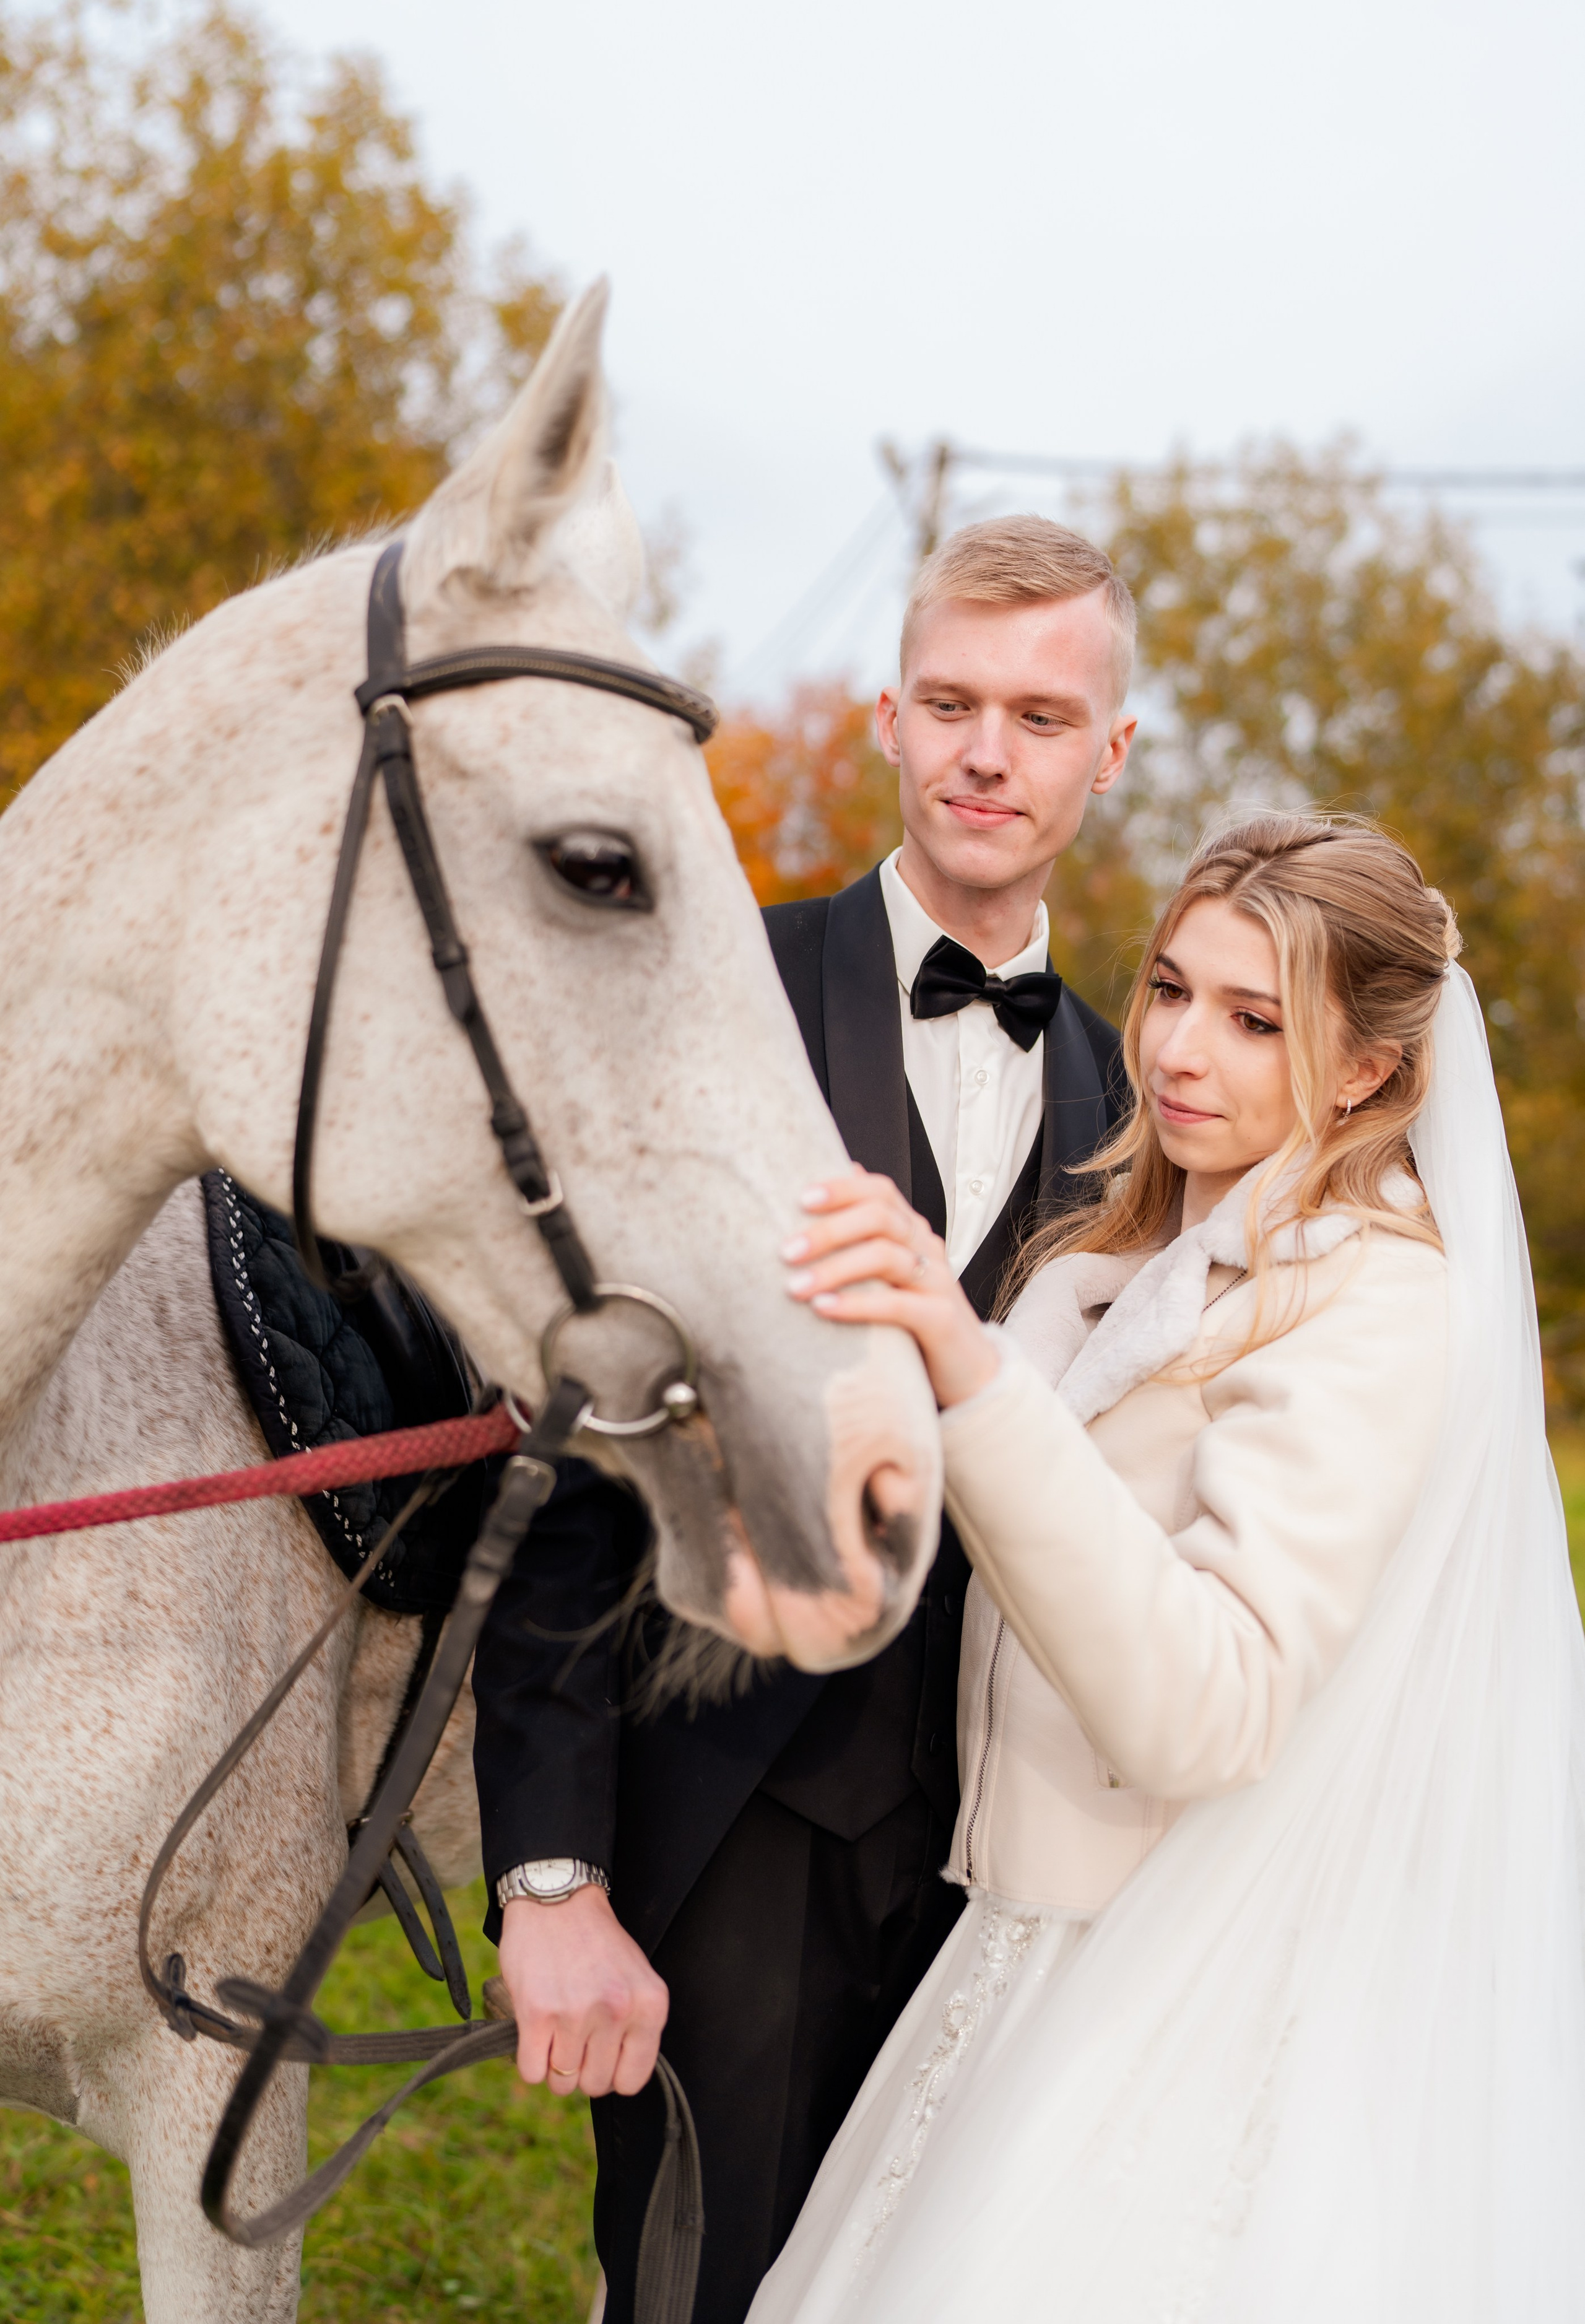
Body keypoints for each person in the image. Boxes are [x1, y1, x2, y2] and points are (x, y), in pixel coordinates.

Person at [748, 810, 1585, 2323]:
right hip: (1008, 1942)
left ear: (1365, 1071)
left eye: (1255, 1019)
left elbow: (1208, 1708)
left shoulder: (1375, 1307)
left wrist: (964, 1368)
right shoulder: (1088, 1282)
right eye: (1169, 988)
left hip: (1180, 1981)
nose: (1178, 1049)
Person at [471, 516, 1139, 2324]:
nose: (990, 750)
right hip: (732, 1813)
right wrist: (551, 1870)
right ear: (891, 718)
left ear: (1114, 749)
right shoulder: (715, 998)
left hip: (1014, 1860)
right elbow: (572, 1449)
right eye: (950, 702)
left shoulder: (1138, 1096)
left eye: (1041, 714)